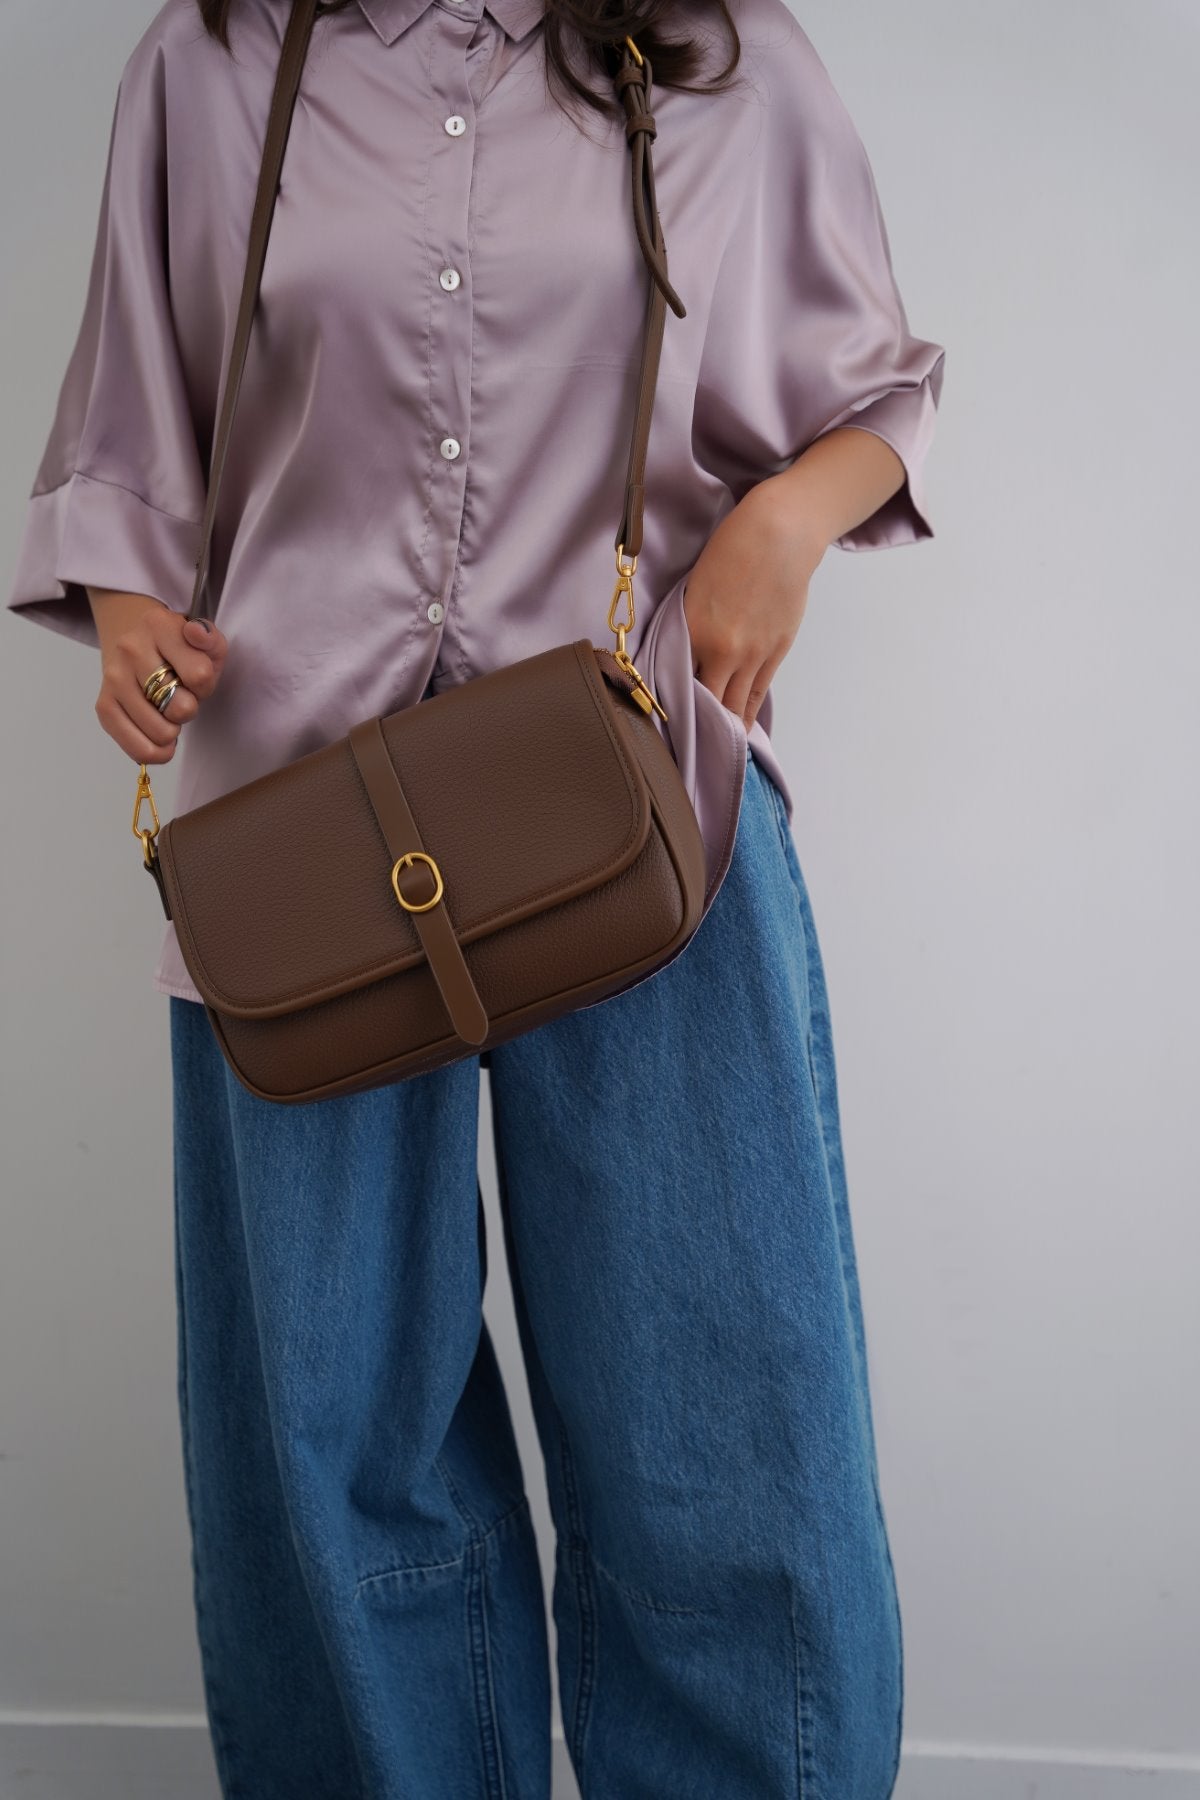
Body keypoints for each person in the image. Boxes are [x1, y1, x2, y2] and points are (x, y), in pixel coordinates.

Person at [5, 0, 946, 1793]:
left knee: (721, 1404)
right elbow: (134, 422)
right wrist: (128, 612)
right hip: (296, 833)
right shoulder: (209, 63)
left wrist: (783, 523)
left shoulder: (715, 50)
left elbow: (873, 394)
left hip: (654, 806)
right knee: (334, 1425)